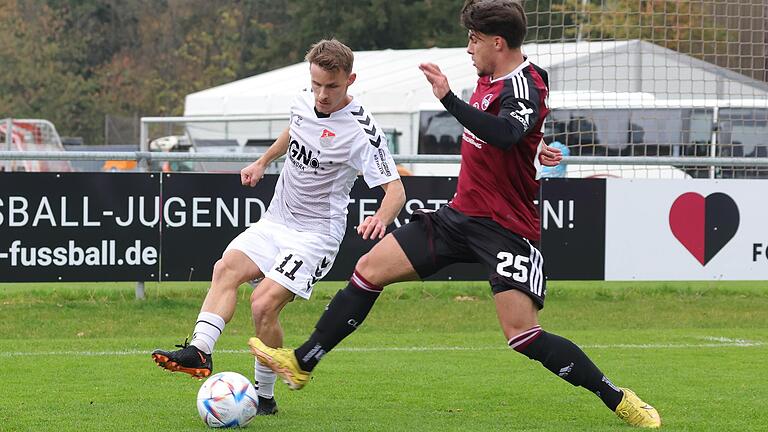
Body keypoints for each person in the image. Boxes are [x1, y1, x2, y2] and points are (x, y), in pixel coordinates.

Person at [249, 1, 661, 428]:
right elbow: (513, 134)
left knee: (522, 336)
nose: (468, 48)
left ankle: (617, 397)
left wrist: (448, 99)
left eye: (474, 39)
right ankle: (302, 362)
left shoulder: (525, 84)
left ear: (497, 42)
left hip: (505, 229)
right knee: (369, 269)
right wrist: (536, 146)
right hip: (459, 215)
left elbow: (504, 134)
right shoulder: (487, 78)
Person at [151, 39, 405, 416]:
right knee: (225, 269)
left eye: (331, 87)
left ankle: (264, 396)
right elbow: (293, 131)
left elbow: (396, 191)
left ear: (350, 80)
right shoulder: (304, 100)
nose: (321, 94)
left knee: (263, 303)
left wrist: (380, 218)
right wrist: (262, 161)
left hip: (316, 236)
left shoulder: (363, 131)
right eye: (316, 84)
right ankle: (200, 351)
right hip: (276, 221)